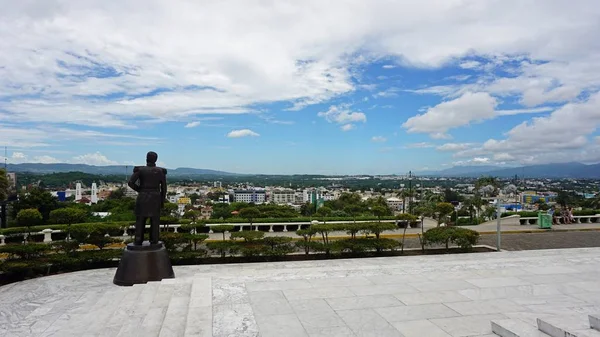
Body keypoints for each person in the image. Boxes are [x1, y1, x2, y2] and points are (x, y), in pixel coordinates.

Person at [128, 151, 167, 245]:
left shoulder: (140, 170)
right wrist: (162, 201)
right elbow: (164, 188)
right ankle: (154, 240)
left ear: (146, 159)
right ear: (156, 160)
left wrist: (140, 190)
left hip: (143, 196)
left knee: (140, 219)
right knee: (155, 220)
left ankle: (138, 240)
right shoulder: (160, 171)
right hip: (155, 197)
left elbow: (130, 183)